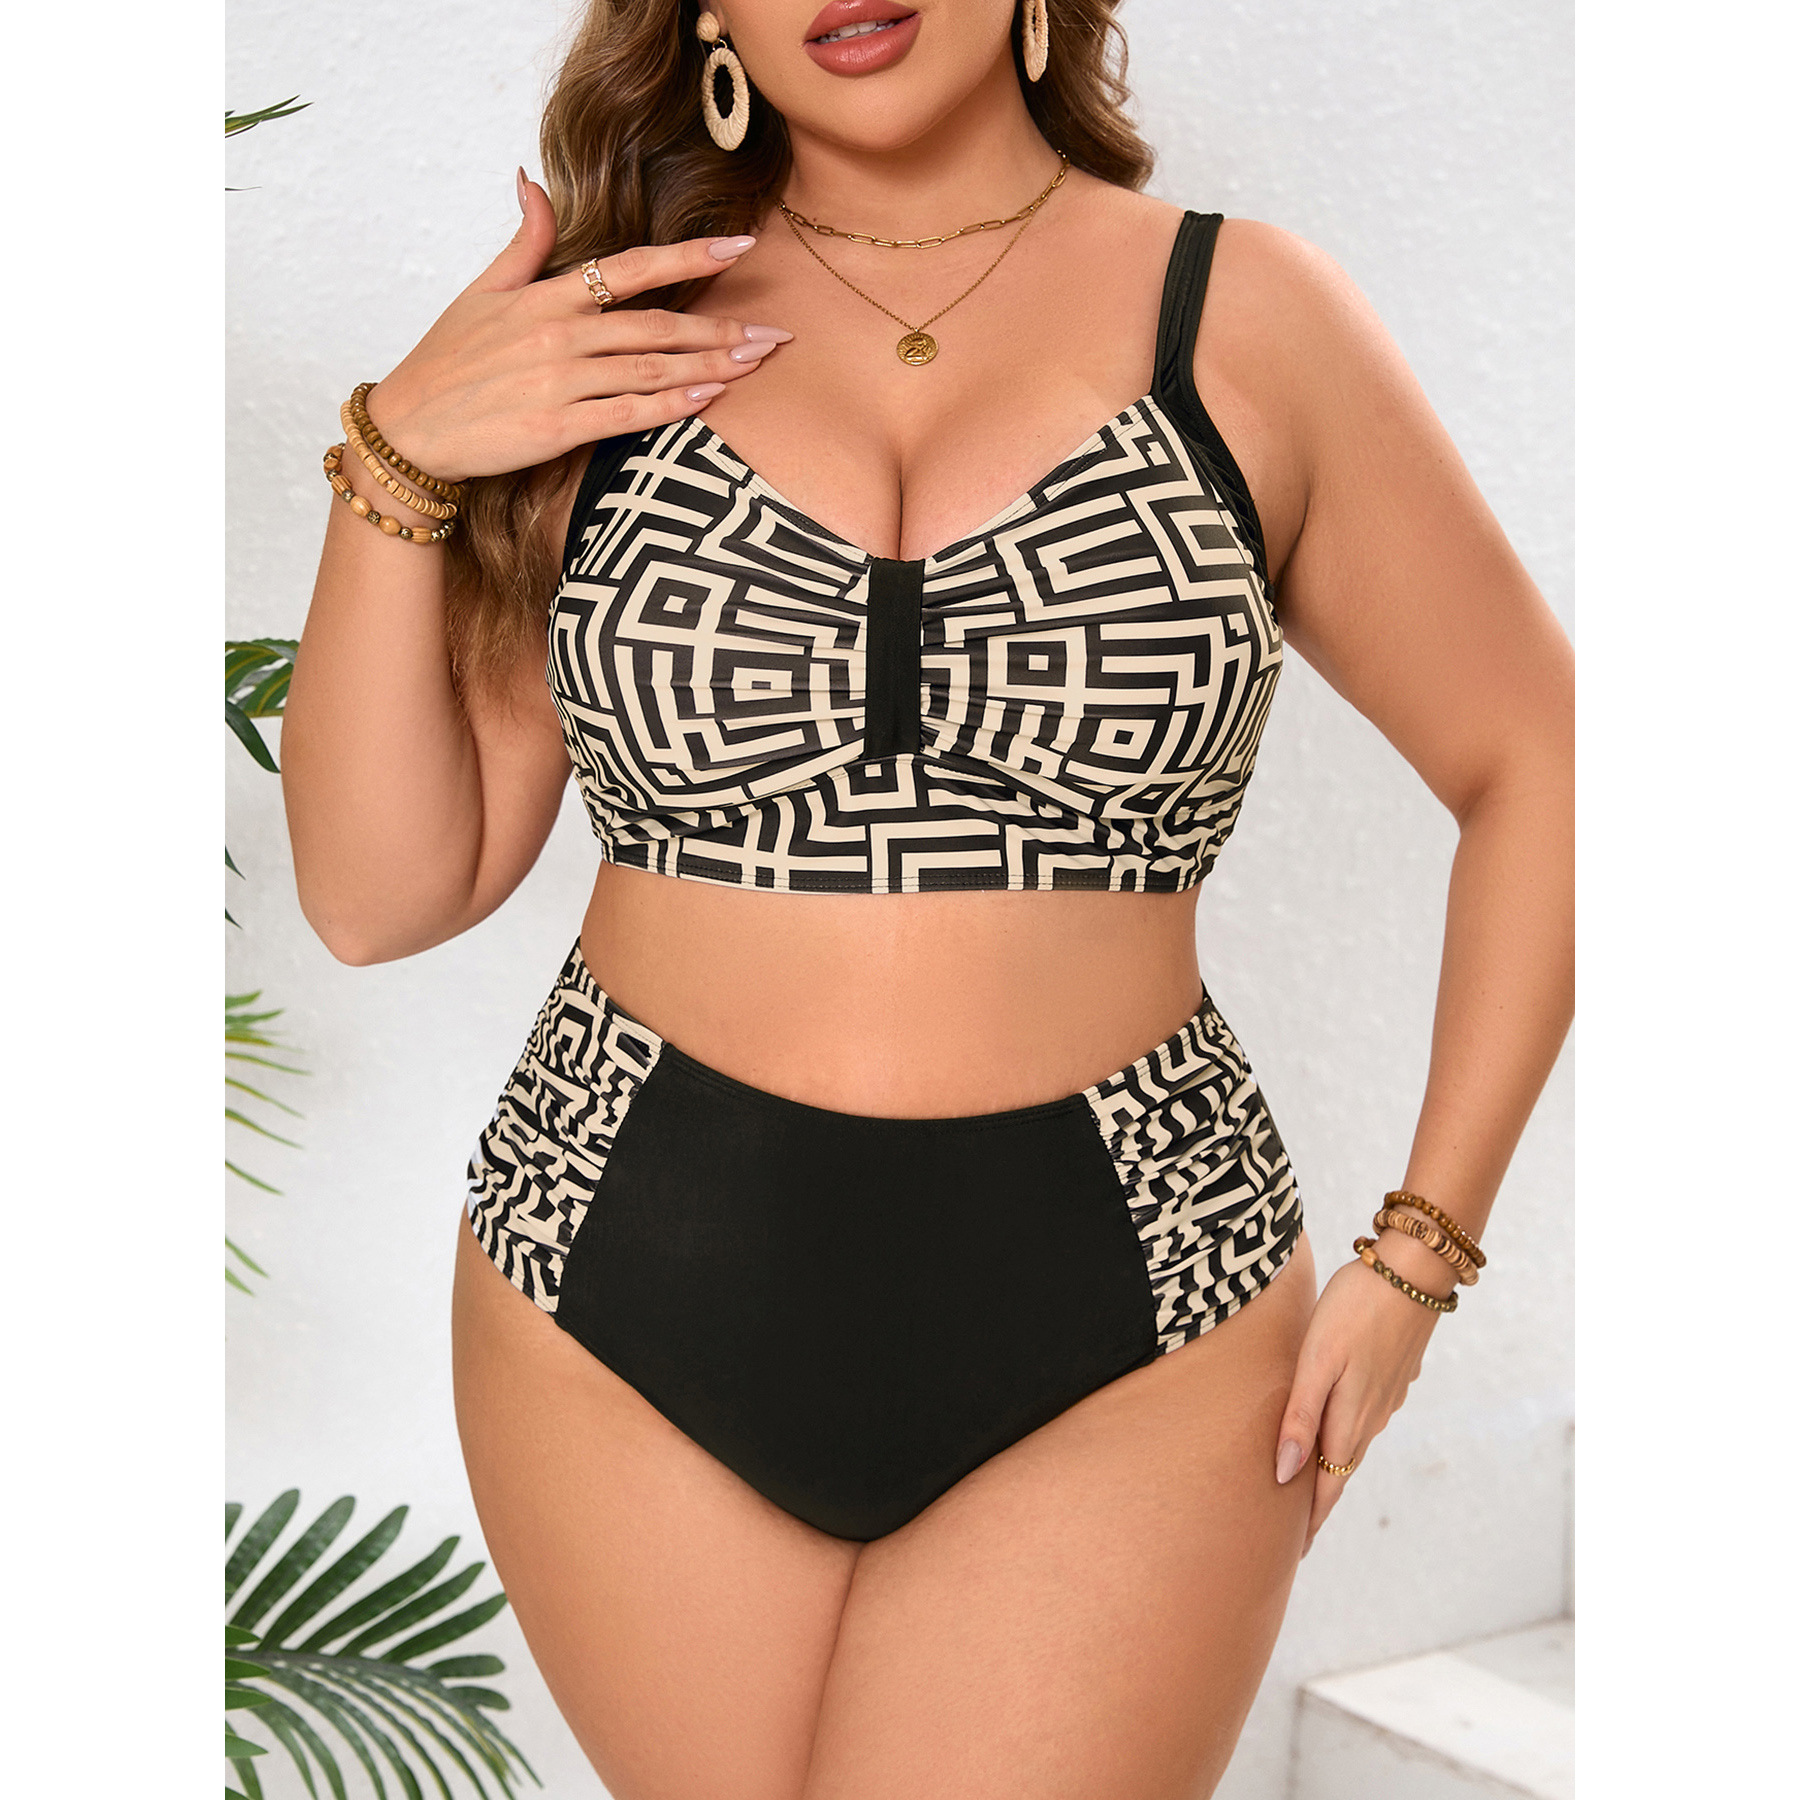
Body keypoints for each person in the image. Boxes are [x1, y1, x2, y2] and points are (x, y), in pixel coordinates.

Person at [279, 1, 1573, 1794]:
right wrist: (399, 456)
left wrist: (1422, 1253)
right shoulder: (609, 336)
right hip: (616, 1267)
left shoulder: (1244, 315)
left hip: (1138, 1288)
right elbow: (376, 895)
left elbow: (1545, 759)